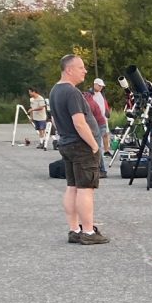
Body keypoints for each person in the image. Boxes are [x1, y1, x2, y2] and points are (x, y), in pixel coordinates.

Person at [50, 54, 109, 244]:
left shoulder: (54, 91)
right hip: (81, 146)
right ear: (69, 70)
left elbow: (55, 120)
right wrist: (93, 145)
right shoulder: (72, 92)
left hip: (66, 144)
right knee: (86, 188)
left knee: (72, 187)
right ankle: (89, 232)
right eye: (81, 67)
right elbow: (79, 122)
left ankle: (74, 229)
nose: (85, 71)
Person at [90, 78, 112, 174]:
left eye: (102, 86)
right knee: (96, 145)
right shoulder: (90, 95)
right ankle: (99, 169)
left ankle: (102, 169)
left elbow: (105, 106)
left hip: (102, 121)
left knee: (98, 145)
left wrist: (107, 113)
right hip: (95, 122)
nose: (101, 87)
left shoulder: (101, 95)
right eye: (99, 86)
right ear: (95, 84)